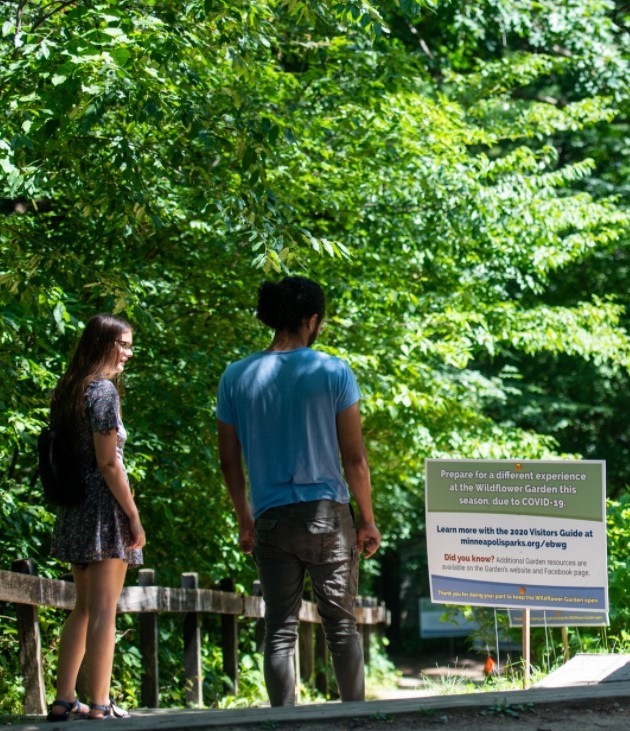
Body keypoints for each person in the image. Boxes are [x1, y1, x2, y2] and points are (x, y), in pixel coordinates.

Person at [217, 276, 381, 706]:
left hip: (271, 519)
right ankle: (355, 718)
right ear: (312, 320)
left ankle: (282, 722)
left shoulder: (236, 377)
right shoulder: (331, 370)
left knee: (280, 631)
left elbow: (229, 462)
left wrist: (245, 518)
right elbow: (355, 458)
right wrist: (366, 519)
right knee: (341, 626)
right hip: (328, 515)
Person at [47, 313, 146, 721]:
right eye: (121, 344)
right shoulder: (103, 390)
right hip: (104, 511)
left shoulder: (69, 389)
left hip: (74, 508)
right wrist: (134, 516)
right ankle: (101, 704)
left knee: (83, 608)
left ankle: (64, 698)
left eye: (130, 345)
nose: (128, 353)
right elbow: (109, 463)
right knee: (105, 610)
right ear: (101, 343)